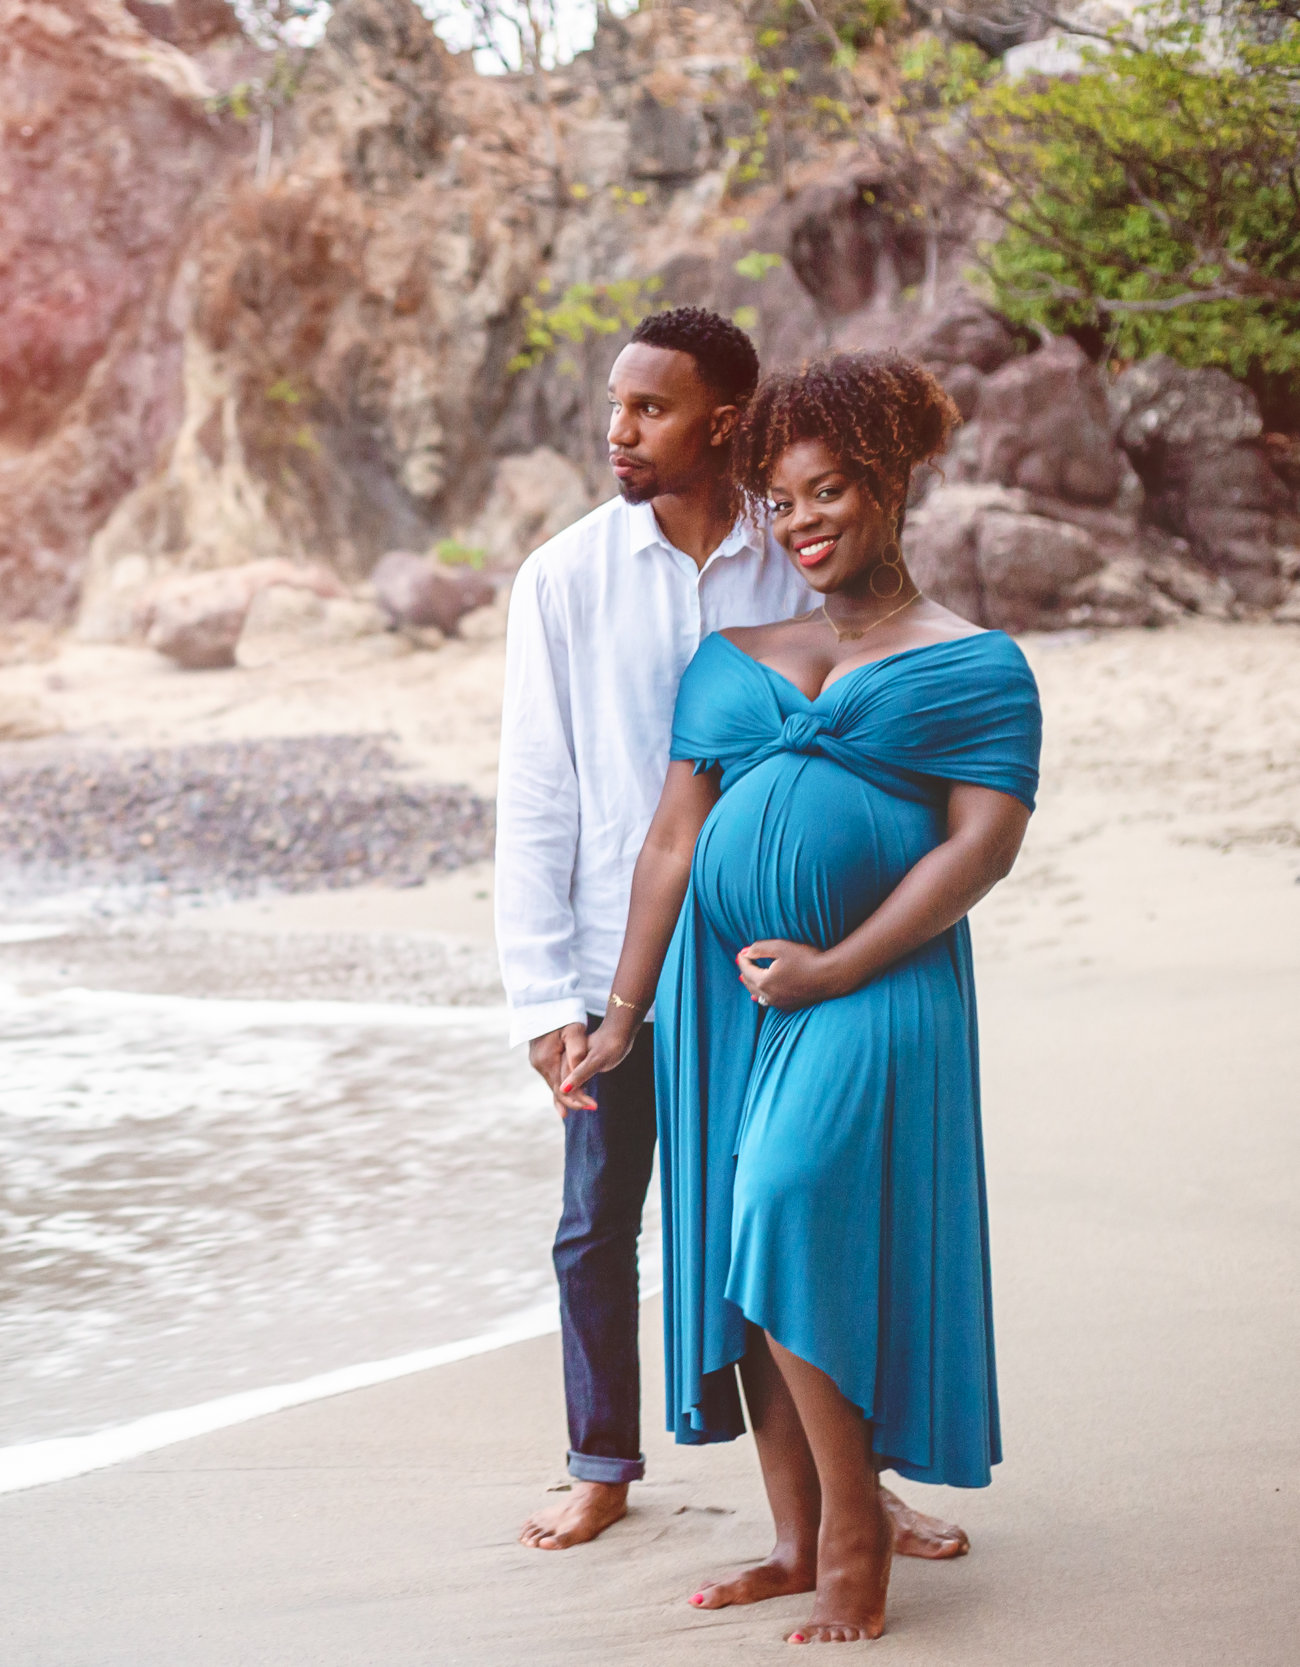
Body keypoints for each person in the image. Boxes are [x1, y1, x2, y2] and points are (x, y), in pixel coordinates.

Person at [562, 350, 1038, 1642]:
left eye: (827, 490)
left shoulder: (978, 665)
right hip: (729, 1005)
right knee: (739, 1252)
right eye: (780, 499)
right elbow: (671, 842)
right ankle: (790, 1534)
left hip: (872, 983)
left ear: (887, 484)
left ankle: (853, 1539)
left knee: (781, 1206)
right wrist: (619, 1012)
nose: (802, 520)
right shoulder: (732, 655)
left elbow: (978, 847)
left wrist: (838, 962)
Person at [495, 309, 971, 1562]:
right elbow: (536, 796)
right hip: (622, 954)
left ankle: (853, 1489)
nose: (617, 431)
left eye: (647, 409)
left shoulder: (797, 548)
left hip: (789, 958)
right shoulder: (563, 576)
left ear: (723, 421)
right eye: (614, 406)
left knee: (803, 1217)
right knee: (600, 1221)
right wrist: (550, 995)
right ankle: (601, 1460)